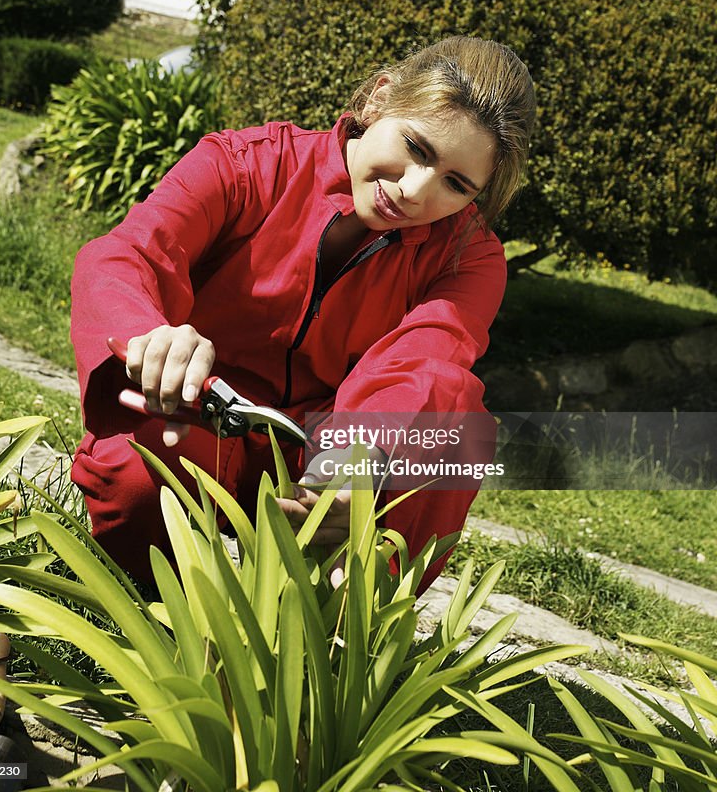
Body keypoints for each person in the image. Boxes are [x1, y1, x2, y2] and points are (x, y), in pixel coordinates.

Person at [70, 35, 537, 591]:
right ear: (379, 100)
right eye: (416, 147)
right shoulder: (244, 164)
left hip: (329, 459)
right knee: (136, 465)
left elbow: (428, 360)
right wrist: (149, 337)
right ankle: (144, 596)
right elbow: (127, 255)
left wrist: (360, 459)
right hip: (202, 414)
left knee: (458, 424)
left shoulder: (471, 256)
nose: (416, 191)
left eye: (456, 184)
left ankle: (344, 623)